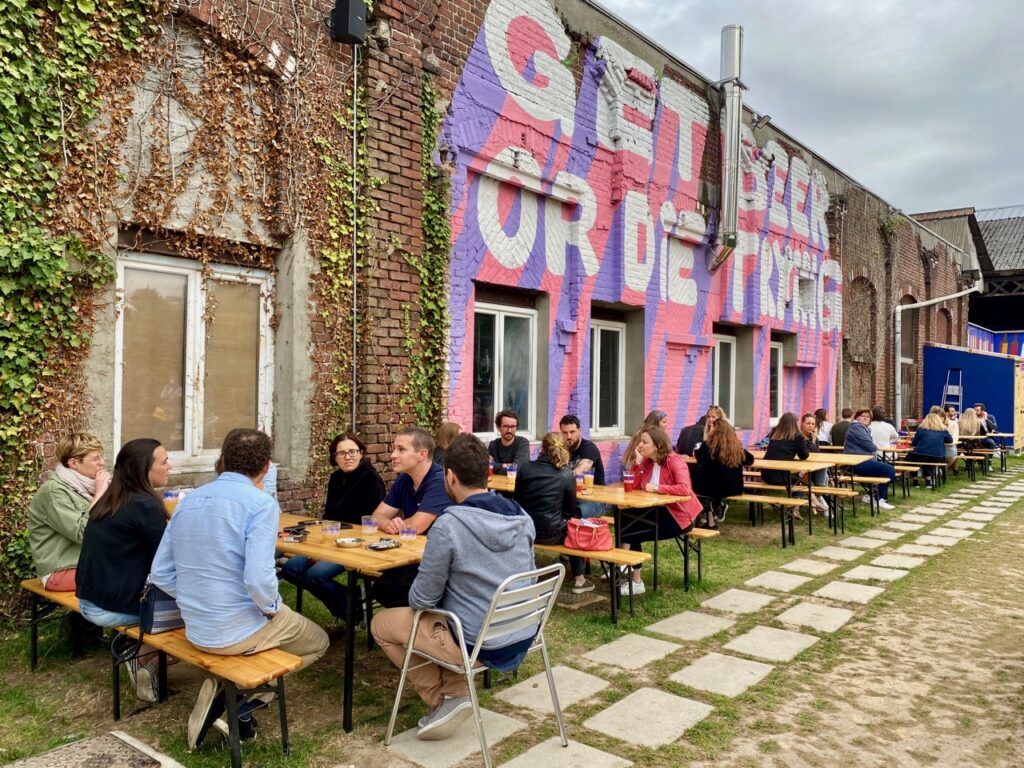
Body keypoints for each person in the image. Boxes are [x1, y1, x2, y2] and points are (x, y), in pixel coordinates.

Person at [149, 428, 329, 750]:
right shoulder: (260, 504)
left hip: (196, 627)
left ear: (223, 460)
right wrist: (272, 608)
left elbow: (160, 574)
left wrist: (198, 596)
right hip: (237, 629)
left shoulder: (186, 503)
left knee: (276, 632)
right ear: (266, 467)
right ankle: (237, 703)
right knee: (319, 642)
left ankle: (236, 699)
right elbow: (258, 579)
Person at [371, 434, 536, 741]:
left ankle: (443, 700)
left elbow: (422, 599)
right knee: (446, 614)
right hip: (523, 631)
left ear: (450, 476)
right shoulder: (522, 516)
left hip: (478, 642)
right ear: (486, 473)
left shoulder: (449, 525)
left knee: (381, 624)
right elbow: (529, 575)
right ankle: (455, 693)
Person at [76, 438, 170, 703]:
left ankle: (139, 653)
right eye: (164, 462)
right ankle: (145, 659)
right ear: (144, 469)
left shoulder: (111, 497)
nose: (169, 467)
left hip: (88, 599)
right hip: (113, 607)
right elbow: (165, 563)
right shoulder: (145, 504)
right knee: (200, 617)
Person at [279, 433, 385, 621]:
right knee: (290, 569)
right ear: (335, 457)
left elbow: (371, 522)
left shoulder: (371, 479)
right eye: (341, 453)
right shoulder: (336, 478)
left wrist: (326, 550)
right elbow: (329, 516)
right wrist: (318, 548)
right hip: (330, 539)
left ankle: (350, 615)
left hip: (357, 544)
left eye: (352, 451)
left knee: (315, 576)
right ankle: (351, 598)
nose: (347, 457)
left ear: (361, 453)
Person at [370, 427, 453, 606]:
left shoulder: (440, 480)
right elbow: (376, 516)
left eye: (401, 449)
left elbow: (416, 526)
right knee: (382, 588)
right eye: (394, 448)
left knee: (387, 589)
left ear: (422, 454)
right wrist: (388, 524)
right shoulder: (404, 479)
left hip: (440, 565)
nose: (393, 455)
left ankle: (420, 620)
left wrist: (394, 524)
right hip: (411, 554)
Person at [619, 426, 704, 594]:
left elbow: (685, 489)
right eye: (640, 441)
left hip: (679, 517)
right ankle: (623, 567)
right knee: (626, 518)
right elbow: (633, 486)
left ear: (657, 445)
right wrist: (637, 463)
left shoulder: (675, 461)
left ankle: (628, 573)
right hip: (657, 512)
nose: (640, 445)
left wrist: (657, 487)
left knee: (631, 528)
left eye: (644, 442)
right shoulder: (647, 462)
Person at [28, 433, 112, 591]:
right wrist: (100, 494)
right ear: (74, 463)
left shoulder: (90, 486)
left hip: (91, 563)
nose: (102, 463)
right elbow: (83, 533)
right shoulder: (53, 491)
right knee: (129, 574)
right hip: (62, 570)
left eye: (101, 457)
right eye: (95, 459)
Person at [514, 432, 591, 594]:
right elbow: (570, 511)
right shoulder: (566, 474)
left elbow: (517, 501)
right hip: (552, 533)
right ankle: (579, 579)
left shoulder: (525, 468)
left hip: (525, 530)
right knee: (576, 522)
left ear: (542, 448)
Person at [692, 419, 753, 528]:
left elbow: (699, 458)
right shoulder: (736, 448)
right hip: (733, 487)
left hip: (709, 488)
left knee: (695, 478)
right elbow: (750, 460)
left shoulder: (707, 446)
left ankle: (711, 512)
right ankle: (715, 510)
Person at [843, 408, 897, 510]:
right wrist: (874, 446)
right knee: (889, 470)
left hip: (863, 461)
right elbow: (869, 446)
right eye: (863, 416)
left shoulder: (863, 428)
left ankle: (872, 496)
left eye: (868, 417)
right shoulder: (856, 427)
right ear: (856, 417)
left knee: (890, 471)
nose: (866, 418)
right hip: (856, 463)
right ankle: (878, 499)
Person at [760, 413, 810, 520]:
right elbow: (804, 456)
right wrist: (806, 442)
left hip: (766, 475)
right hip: (782, 477)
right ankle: (796, 507)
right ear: (795, 423)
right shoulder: (797, 436)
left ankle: (796, 505)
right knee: (801, 478)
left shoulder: (774, 434)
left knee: (796, 476)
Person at [559, 415, 606, 518]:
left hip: (593, 499)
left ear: (579, 431)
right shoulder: (560, 449)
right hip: (570, 497)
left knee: (574, 514)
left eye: (572, 432)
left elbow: (582, 468)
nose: (568, 436)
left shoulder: (589, 447)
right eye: (565, 433)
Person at [905, 412, 952, 487]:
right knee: (929, 458)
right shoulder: (943, 431)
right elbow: (950, 440)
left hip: (920, 455)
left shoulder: (921, 430)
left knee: (910, 458)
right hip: (937, 456)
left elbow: (914, 443)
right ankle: (928, 481)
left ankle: (915, 480)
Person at [799, 412, 830, 514]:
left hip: (813, 468)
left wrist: (814, 440)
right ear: (802, 424)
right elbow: (807, 454)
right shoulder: (799, 438)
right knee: (822, 477)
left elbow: (817, 455)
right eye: (808, 423)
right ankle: (820, 499)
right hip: (802, 469)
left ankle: (818, 498)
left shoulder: (814, 437)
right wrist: (813, 441)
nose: (811, 426)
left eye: (813, 424)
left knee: (825, 473)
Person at [933, 406, 959, 474]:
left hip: (946, 446)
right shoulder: (934, 425)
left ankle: (946, 469)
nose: (954, 413)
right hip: (940, 448)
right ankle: (945, 470)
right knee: (953, 453)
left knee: (953, 452)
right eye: (952, 411)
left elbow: (953, 439)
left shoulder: (953, 422)